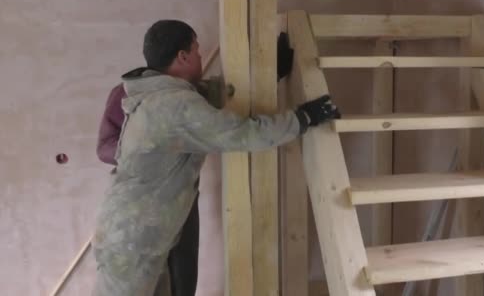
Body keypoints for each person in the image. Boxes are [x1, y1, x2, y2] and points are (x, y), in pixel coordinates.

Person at [92, 19, 340, 296]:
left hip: (134, 234)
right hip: (133, 242)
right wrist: (304, 117)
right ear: (182, 56)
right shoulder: (174, 106)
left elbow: (216, 96)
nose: (200, 56)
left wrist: (269, 75)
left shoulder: (161, 96)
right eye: (197, 51)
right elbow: (244, 134)